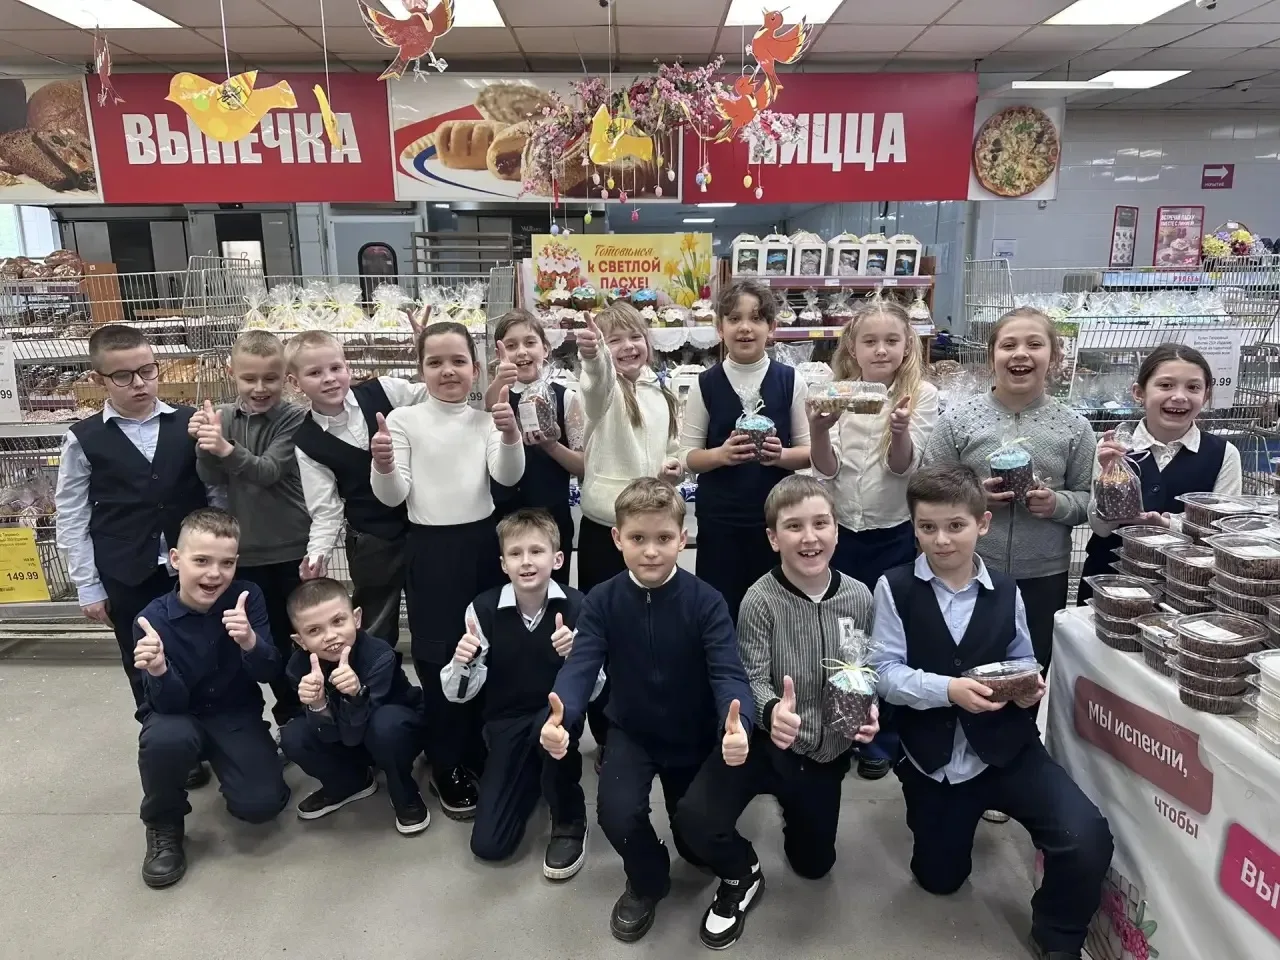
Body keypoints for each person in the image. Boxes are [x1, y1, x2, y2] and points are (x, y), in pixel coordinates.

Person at [871, 464, 1113, 960]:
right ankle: (947, 827)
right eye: (927, 527)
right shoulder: (894, 587)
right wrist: (949, 690)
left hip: (1007, 749)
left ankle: (1058, 937)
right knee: (939, 879)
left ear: (982, 524)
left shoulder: (1006, 590)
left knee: (1085, 836)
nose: (941, 540)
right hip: (934, 760)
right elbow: (885, 673)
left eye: (955, 525)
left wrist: (1028, 686)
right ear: (913, 526)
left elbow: (1023, 658)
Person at [540, 478, 754, 943]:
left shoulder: (707, 601)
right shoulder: (601, 600)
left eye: (663, 538)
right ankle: (647, 878)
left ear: (683, 538)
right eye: (638, 538)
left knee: (695, 843)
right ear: (617, 538)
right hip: (632, 731)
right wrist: (563, 717)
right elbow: (580, 668)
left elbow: (728, 674)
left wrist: (738, 727)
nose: (651, 551)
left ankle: (714, 853)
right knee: (616, 815)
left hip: (693, 733)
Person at [675, 476, 880, 950]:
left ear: (837, 530)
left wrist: (871, 709)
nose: (809, 537)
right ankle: (742, 871)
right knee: (694, 823)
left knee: (814, 866)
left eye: (820, 524)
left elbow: (865, 667)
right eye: (793, 526)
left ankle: (798, 811)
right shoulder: (759, 600)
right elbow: (750, 674)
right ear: (773, 538)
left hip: (825, 752)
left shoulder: (860, 597)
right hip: (765, 744)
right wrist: (771, 711)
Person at [371, 319, 524, 821]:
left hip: (483, 549)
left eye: (458, 361)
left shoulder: (485, 421)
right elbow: (392, 496)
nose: (448, 370)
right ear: (420, 369)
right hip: (431, 552)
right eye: (435, 362)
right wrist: (384, 465)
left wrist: (509, 434)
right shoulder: (403, 421)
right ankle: (445, 760)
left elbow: (506, 477)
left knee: (487, 647)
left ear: (476, 369)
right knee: (438, 656)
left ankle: (480, 745)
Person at [54, 323, 219, 783]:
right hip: (127, 574)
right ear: (99, 380)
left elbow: (215, 494)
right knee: (143, 662)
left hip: (192, 572)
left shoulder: (188, 423)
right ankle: (172, 749)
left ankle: (216, 739)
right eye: (123, 376)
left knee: (205, 654)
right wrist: (88, 585)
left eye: (148, 371)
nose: (140, 384)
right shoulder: (83, 439)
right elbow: (72, 515)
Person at [923, 306, 1095, 673]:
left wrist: (1057, 504)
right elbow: (929, 488)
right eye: (1008, 345)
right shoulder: (957, 421)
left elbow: (1087, 499)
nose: (1020, 354)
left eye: (1034, 344)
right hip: (967, 570)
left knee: (1029, 672)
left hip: (1043, 576)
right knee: (966, 669)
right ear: (991, 357)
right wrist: (973, 501)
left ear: (1054, 357)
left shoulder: (1074, 427)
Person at [810, 297, 938, 781]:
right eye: (870, 341)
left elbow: (902, 468)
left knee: (886, 635)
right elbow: (826, 470)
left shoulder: (920, 394)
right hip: (841, 532)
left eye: (891, 340)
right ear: (853, 348)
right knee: (842, 631)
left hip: (893, 533)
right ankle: (839, 726)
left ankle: (878, 739)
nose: (880, 350)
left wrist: (900, 430)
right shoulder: (835, 393)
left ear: (907, 346)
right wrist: (819, 430)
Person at [131, 508, 291, 888]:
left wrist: (251, 641)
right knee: (165, 738)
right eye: (201, 561)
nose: (215, 574)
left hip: (234, 714)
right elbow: (167, 705)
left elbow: (269, 672)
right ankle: (163, 824)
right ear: (175, 559)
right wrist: (159, 670)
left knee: (261, 805)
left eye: (227, 563)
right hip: (178, 715)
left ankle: (243, 759)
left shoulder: (247, 598)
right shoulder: (151, 620)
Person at [441, 509, 601, 878]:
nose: (526, 561)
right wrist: (463, 662)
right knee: (489, 845)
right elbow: (458, 696)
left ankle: (569, 818)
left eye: (536, 551)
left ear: (557, 559)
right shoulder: (482, 610)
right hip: (506, 723)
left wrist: (576, 658)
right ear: (503, 564)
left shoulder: (579, 606)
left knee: (553, 730)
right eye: (515, 553)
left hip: (557, 717)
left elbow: (596, 692)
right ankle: (532, 775)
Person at [575, 302, 682, 764]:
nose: (627, 346)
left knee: (650, 635)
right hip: (605, 531)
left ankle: (648, 722)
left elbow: (671, 446)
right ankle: (606, 734)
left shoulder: (661, 393)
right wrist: (593, 356)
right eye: (614, 339)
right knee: (605, 635)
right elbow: (596, 385)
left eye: (634, 336)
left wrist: (672, 468)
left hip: (653, 527)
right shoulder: (602, 392)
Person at [192, 330, 309, 730]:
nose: (260, 388)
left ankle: (315, 713)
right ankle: (286, 717)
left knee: (303, 636)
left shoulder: (294, 418)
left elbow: (268, 470)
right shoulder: (223, 417)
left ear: (286, 378)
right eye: (249, 378)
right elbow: (211, 476)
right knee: (264, 639)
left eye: (270, 378)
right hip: (246, 554)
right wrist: (205, 443)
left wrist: (224, 447)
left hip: (292, 549)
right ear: (232, 374)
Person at [680, 278, 811, 621]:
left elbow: (809, 452)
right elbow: (688, 456)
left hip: (777, 519)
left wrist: (781, 456)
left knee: (776, 610)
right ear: (719, 328)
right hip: (720, 520)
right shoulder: (705, 384)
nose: (745, 328)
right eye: (734, 318)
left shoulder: (790, 381)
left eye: (756, 318)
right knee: (721, 608)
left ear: (772, 328)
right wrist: (721, 455)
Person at [288, 330, 428, 646]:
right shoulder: (307, 443)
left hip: (423, 523)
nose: (329, 378)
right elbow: (325, 508)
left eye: (335, 368)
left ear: (348, 367)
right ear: (296, 383)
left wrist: (428, 356)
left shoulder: (384, 391)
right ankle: (376, 676)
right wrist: (318, 554)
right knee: (374, 626)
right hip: (371, 540)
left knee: (432, 614)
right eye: (315, 373)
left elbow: (432, 396)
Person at [1077, 342, 1242, 603]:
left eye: (1193, 387)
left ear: (1206, 396)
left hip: (1187, 591)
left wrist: (1168, 525)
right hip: (1110, 582)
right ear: (1139, 392)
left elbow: (1223, 535)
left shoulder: (1223, 454)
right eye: (1165, 385)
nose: (1179, 396)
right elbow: (1101, 528)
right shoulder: (1114, 447)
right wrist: (1109, 485)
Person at [280, 577, 428, 834]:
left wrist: (355, 694)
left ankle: (403, 788)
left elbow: (354, 734)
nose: (330, 636)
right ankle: (349, 783)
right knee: (293, 735)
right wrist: (318, 705)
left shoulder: (379, 655)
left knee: (386, 725)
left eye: (338, 621)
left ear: (356, 618)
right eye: (314, 631)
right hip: (346, 734)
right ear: (300, 641)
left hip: (391, 734)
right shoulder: (298, 668)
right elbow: (330, 735)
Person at [483, 309, 586, 585]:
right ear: (499, 354)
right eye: (511, 345)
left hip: (552, 519)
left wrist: (552, 447)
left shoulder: (566, 398)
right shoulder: (499, 397)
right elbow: (488, 406)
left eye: (530, 342)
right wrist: (500, 380)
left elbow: (582, 465)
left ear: (546, 349)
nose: (521, 352)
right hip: (504, 518)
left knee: (554, 591)